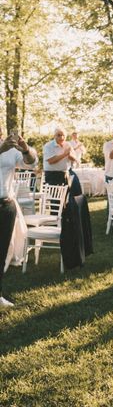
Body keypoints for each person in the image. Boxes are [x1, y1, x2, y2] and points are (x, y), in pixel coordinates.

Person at [0, 132, 37, 309]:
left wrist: (25, 148)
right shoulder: (4, 148)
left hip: (6, 206)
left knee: (1, 251)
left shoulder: (11, 150)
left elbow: (31, 163)